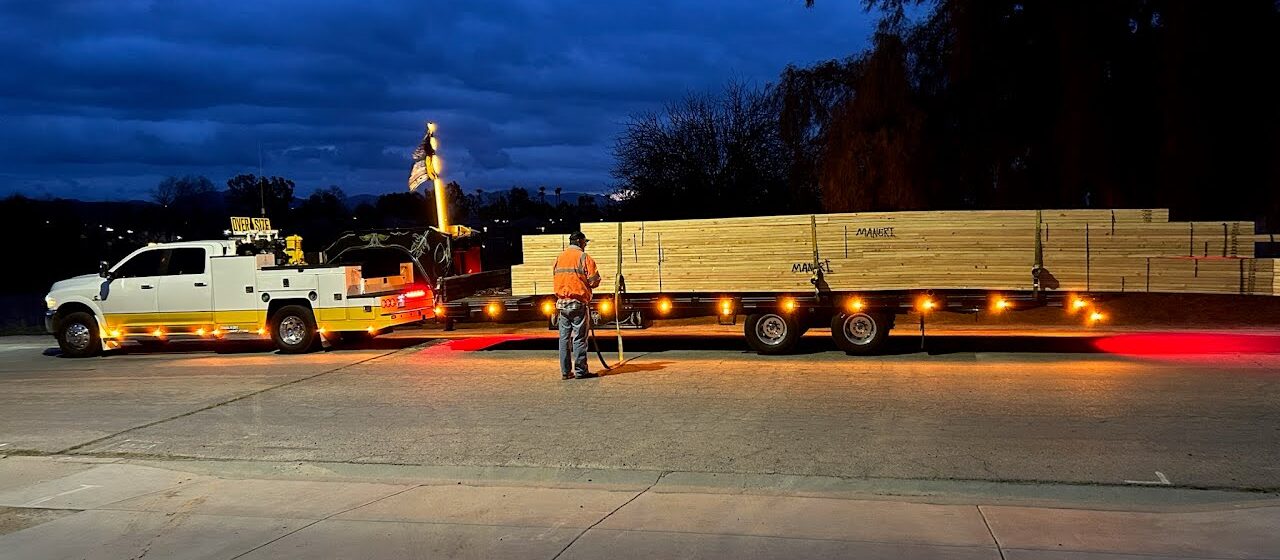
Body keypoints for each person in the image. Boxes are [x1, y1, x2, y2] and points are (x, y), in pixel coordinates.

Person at [553, 231, 601, 379]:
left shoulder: (560, 257)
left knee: (564, 339)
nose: (585, 245)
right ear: (580, 242)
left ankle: (566, 372)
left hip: (562, 304)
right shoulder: (583, 257)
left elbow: (556, 276)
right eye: (585, 242)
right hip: (578, 303)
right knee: (579, 338)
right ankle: (581, 371)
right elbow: (594, 281)